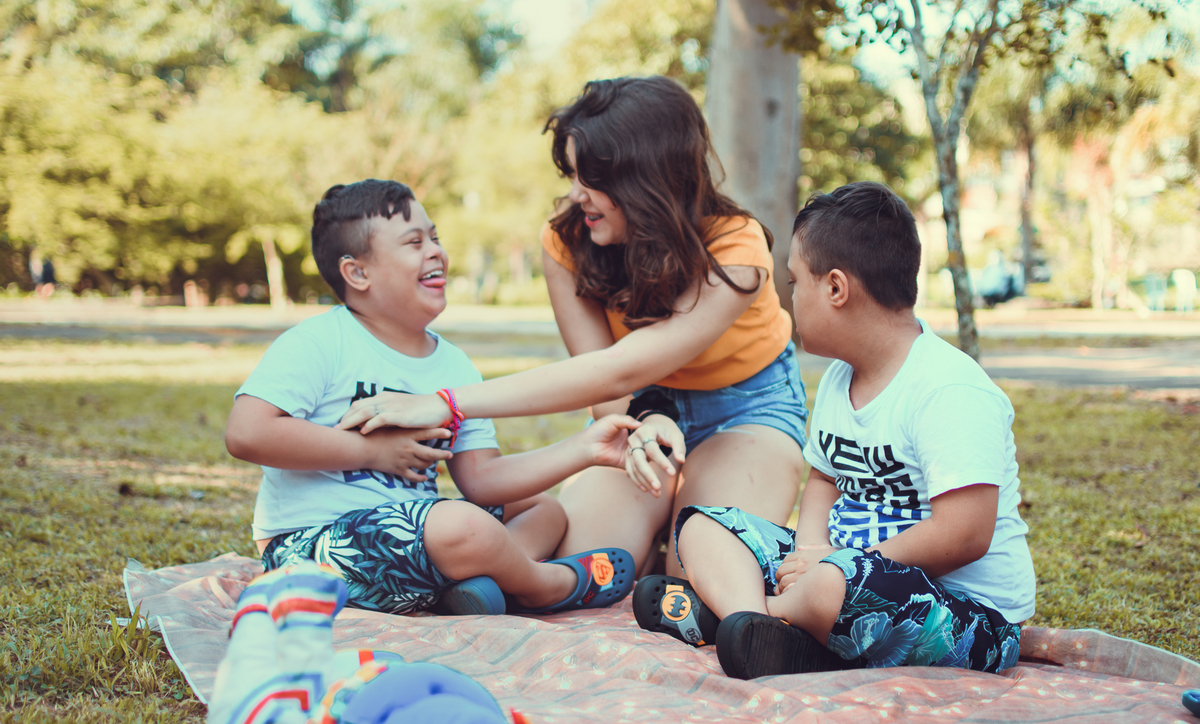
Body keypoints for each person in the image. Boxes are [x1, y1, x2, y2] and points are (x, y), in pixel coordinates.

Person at [337, 77, 809, 580]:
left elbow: (619, 368)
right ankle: (652, 541)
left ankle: (674, 543)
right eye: (572, 174)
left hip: (745, 410)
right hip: (634, 411)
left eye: (591, 180)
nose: (576, 194)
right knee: (590, 565)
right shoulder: (567, 240)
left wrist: (447, 403)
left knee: (698, 574)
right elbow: (607, 389)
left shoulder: (737, 249)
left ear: (647, 179)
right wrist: (646, 420)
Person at [633, 182, 1036, 679]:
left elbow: (964, 533)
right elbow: (824, 479)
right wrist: (808, 552)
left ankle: (753, 615)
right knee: (701, 526)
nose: (789, 297)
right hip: (840, 567)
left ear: (836, 289)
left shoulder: (947, 388)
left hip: (964, 613)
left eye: (794, 282)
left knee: (832, 587)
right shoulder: (838, 380)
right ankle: (759, 627)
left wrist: (836, 565)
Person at [225, 179, 637, 617]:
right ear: (358, 273)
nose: (435, 251)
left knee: (543, 508)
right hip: (311, 551)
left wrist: (584, 448)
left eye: (435, 238)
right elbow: (247, 433)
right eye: (414, 242)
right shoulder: (321, 341)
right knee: (460, 525)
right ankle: (541, 586)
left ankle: (480, 585)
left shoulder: (453, 366)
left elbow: (482, 480)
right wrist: (371, 452)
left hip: (421, 539)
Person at [196, 561, 575, 724]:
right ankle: (278, 614)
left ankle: (270, 607)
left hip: (360, 700)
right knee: (267, 668)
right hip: (344, 718)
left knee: (262, 664)